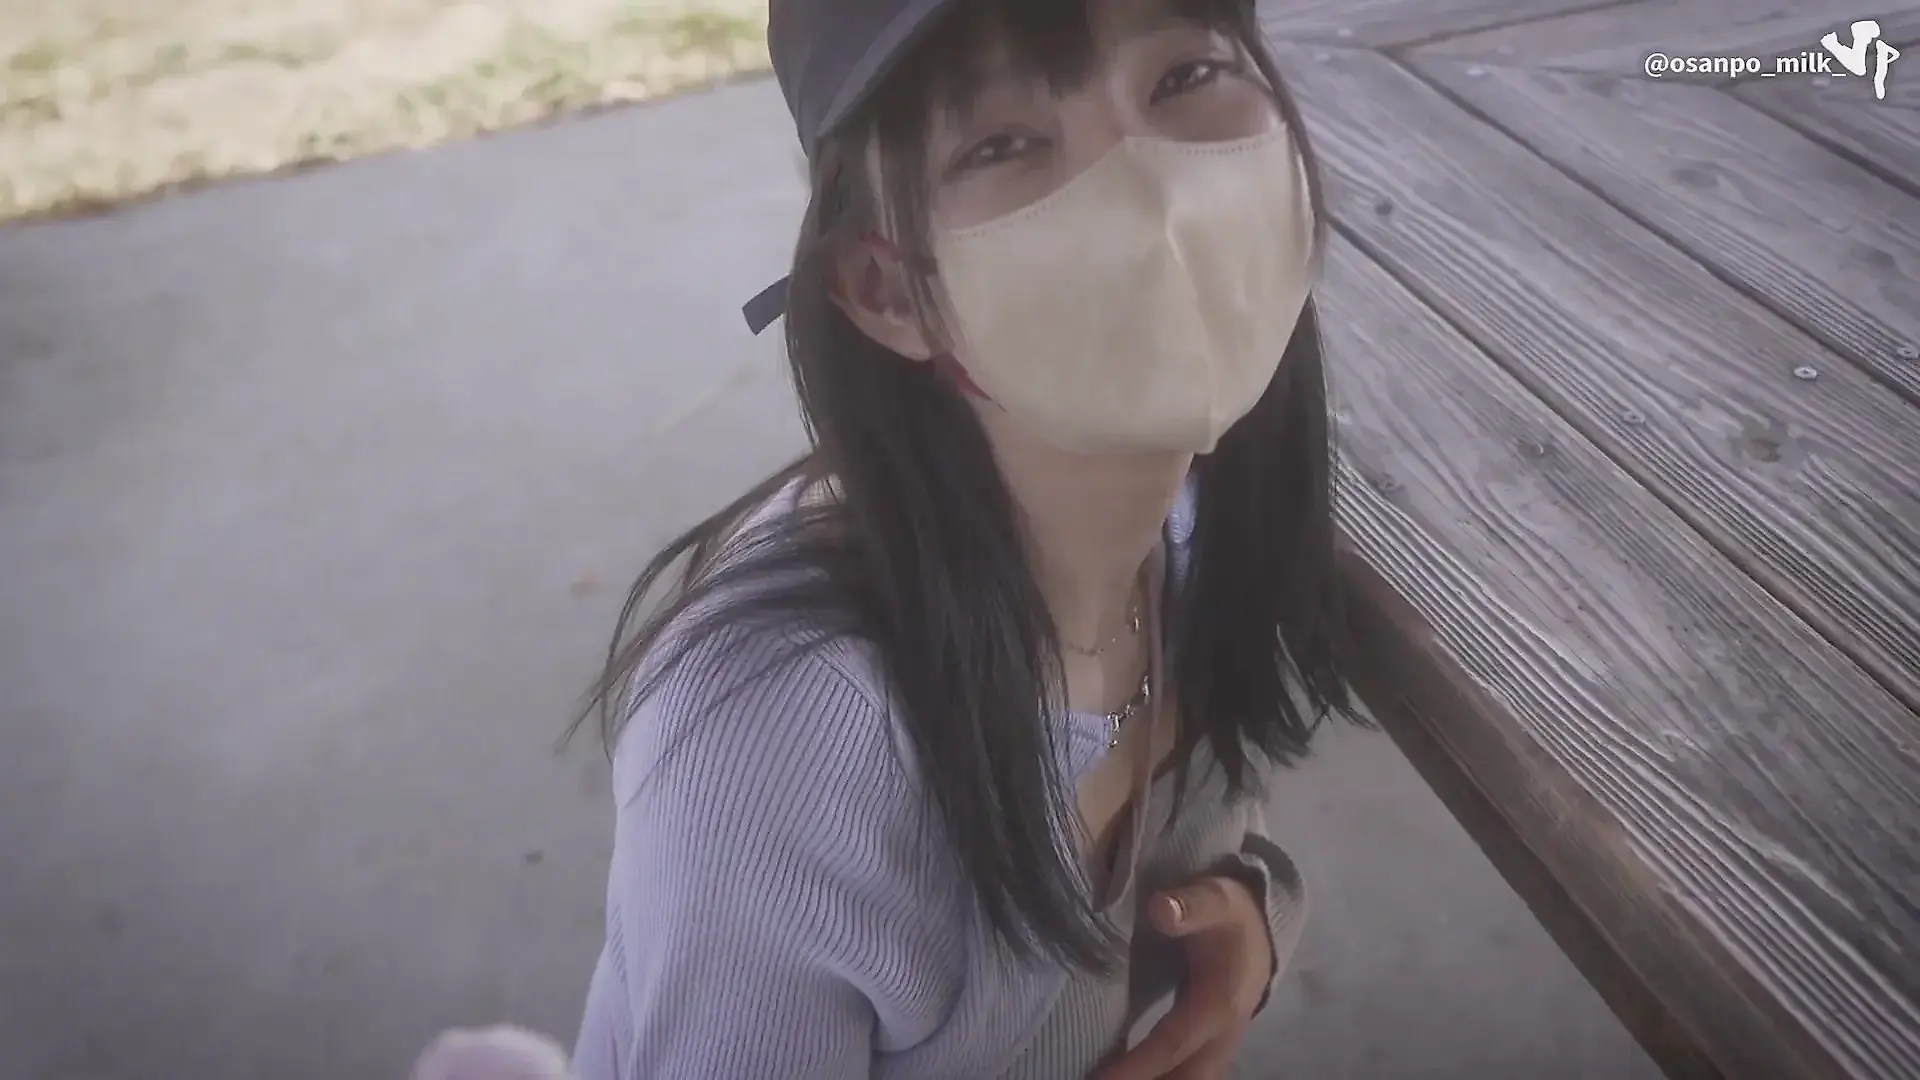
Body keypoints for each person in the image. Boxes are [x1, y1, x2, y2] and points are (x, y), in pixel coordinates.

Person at [558, 0, 1357, 1076]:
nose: (1152, 191)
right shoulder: (775, 739)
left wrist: (1252, 921)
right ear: (889, 290)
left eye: (1183, 78)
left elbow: (1207, 847)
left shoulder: (1194, 524)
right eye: (1005, 144)